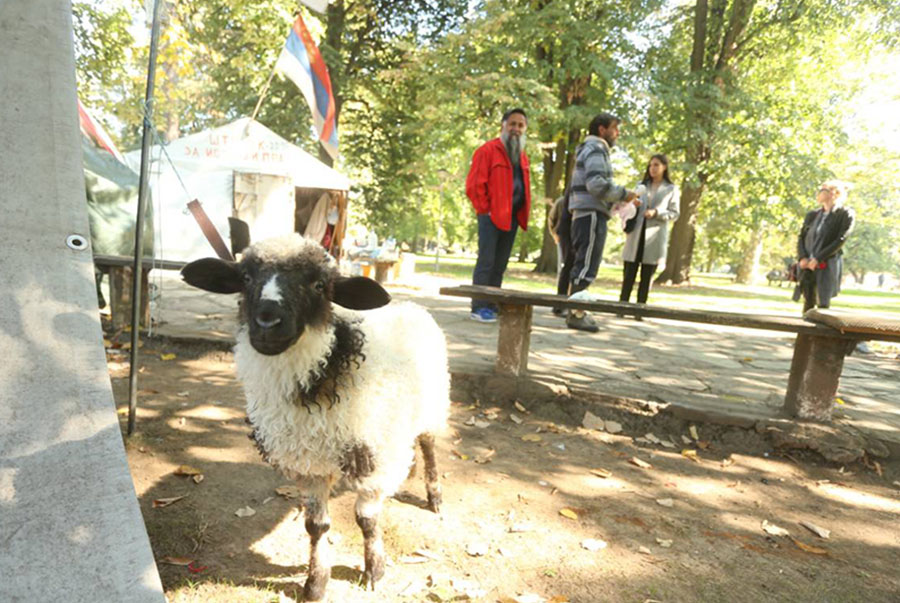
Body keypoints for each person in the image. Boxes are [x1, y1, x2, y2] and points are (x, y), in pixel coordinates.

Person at [566, 113, 638, 332]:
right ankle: (576, 313)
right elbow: (597, 185)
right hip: (590, 213)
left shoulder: (589, 150)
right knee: (586, 264)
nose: (617, 133)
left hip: (587, 212)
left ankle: (577, 311)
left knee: (585, 262)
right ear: (601, 129)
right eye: (614, 128)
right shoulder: (596, 149)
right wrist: (625, 195)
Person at [465, 108, 532, 322]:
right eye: (512, 124)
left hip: (511, 217)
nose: (516, 129)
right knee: (486, 261)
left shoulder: (522, 156)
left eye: (520, 125)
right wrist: (486, 210)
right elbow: (474, 185)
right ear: (503, 126)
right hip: (490, 216)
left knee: (500, 263)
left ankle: (492, 304)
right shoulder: (487, 150)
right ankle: (479, 306)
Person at [618, 154, 680, 318]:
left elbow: (674, 213)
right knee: (628, 274)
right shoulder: (641, 185)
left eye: (656, 165)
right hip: (635, 235)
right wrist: (634, 204)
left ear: (664, 167)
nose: (652, 168)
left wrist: (657, 212)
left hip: (654, 237)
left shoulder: (671, 189)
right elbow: (627, 204)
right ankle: (621, 308)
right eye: (651, 165)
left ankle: (640, 310)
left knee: (646, 277)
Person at [793, 180, 854, 313]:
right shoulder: (812, 215)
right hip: (807, 264)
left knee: (823, 303)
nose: (820, 193)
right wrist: (802, 257)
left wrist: (818, 258)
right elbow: (801, 237)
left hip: (827, 263)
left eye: (824, 190)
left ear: (835, 193)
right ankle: (805, 333)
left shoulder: (845, 214)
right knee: (808, 300)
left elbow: (840, 239)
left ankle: (821, 333)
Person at [547, 191, 574, 315]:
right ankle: (559, 305)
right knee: (564, 268)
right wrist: (554, 234)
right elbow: (551, 218)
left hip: (576, 236)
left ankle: (570, 304)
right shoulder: (561, 201)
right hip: (563, 236)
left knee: (572, 270)